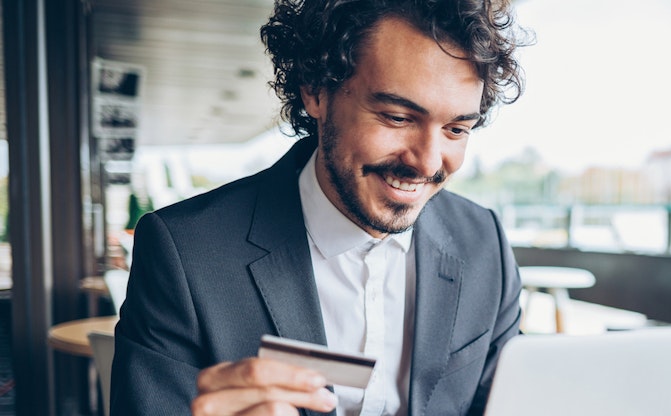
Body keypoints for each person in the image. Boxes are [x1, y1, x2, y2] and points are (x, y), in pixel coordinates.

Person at [109, 0, 529, 414]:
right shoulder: (185, 252)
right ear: (315, 91)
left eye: (456, 129)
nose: (427, 161)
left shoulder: (484, 243)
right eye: (397, 117)